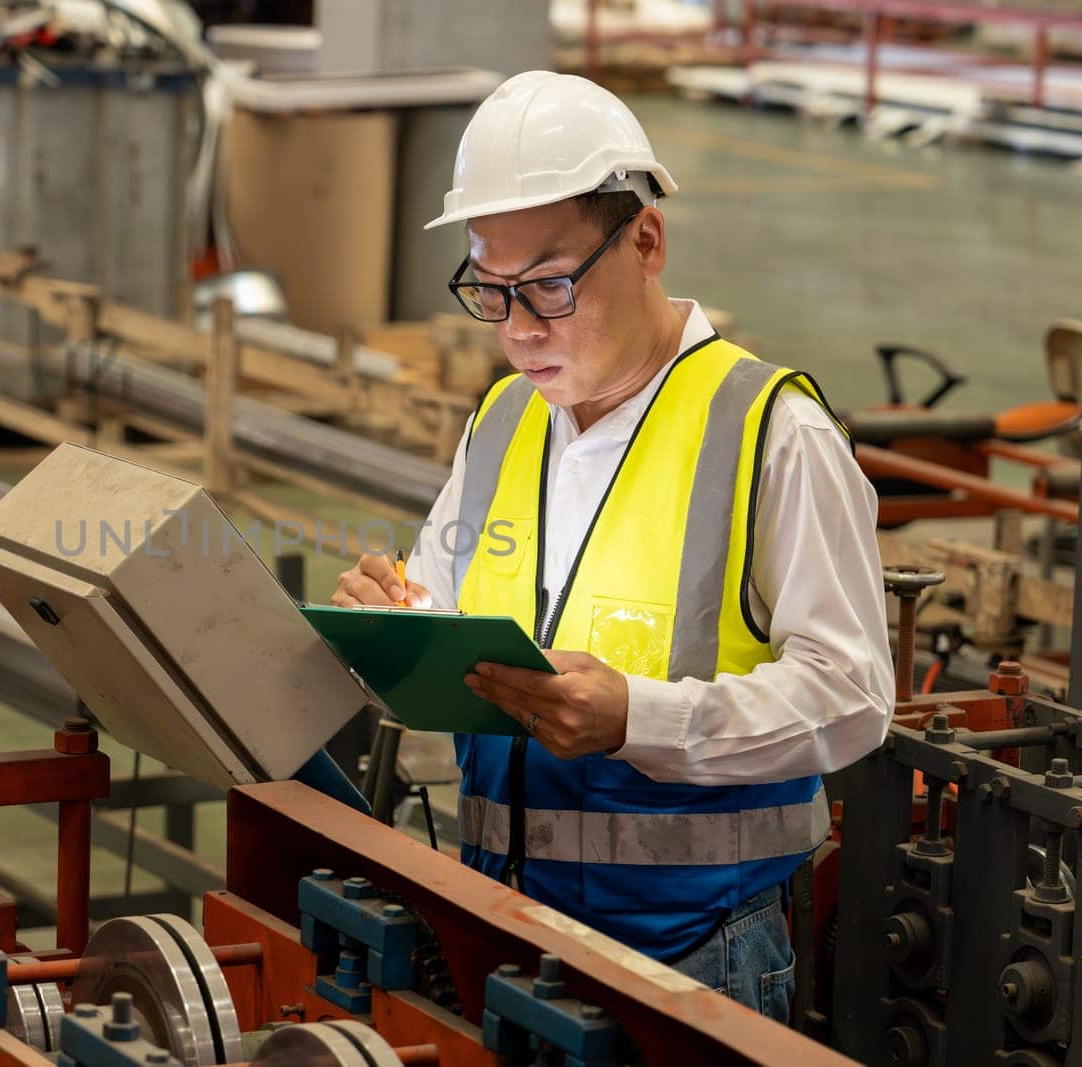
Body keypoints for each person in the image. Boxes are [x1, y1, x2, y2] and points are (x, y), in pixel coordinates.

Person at [330, 71, 891, 1020]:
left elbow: (852, 696)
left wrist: (640, 718)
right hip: (500, 923)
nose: (518, 329)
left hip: (697, 953)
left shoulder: (770, 430)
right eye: (490, 289)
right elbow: (452, 599)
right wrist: (402, 620)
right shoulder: (506, 418)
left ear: (646, 239)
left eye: (549, 285)